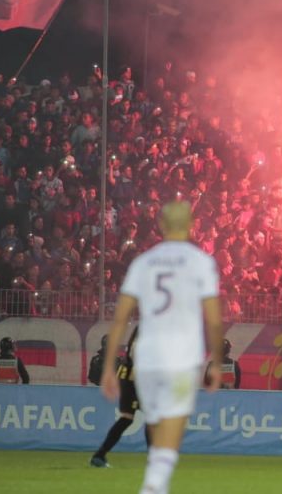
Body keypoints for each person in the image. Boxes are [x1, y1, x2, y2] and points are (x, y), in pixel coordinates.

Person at [100, 201, 222, 494]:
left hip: (148, 359)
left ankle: (154, 481)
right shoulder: (200, 262)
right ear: (190, 225)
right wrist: (217, 362)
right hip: (181, 357)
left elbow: (120, 319)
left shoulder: (144, 263)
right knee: (171, 420)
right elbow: (214, 319)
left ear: (161, 225)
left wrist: (108, 368)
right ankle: (155, 480)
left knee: (153, 419)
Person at [91, 326, 149, 468]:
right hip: (131, 380)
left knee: (129, 419)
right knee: (143, 417)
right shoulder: (144, 337)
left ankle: (99, 456)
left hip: (131, 378)